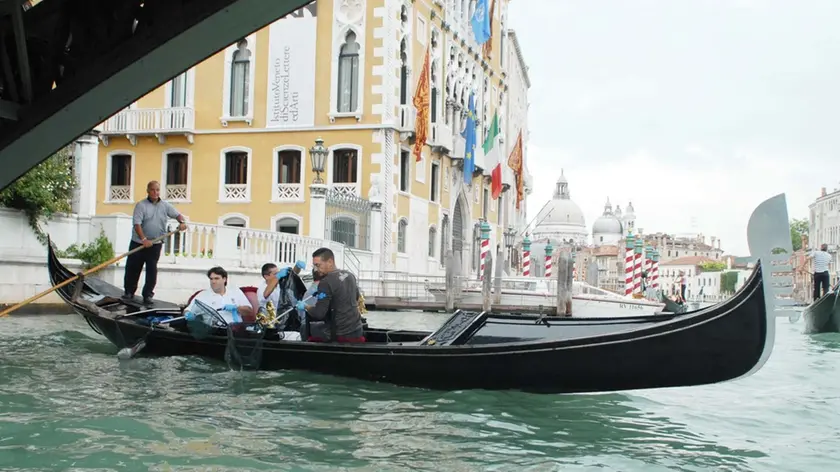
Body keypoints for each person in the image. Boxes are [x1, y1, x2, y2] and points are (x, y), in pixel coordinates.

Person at [123, 180, 187, 305]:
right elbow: (137, 224)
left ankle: (148, 295)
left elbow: (178, 215)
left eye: (157, 190)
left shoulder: (165, 205)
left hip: (155, 244)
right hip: (139, 242)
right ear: (148, 191)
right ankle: (129, 292)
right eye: (153, 190)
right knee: (133, 268)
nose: (155, 192)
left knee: (152, 270)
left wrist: (182, 222)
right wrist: (144, 240)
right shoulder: (141, 205)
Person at [295, 247, 364, 343]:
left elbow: (319, 314)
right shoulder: (349, 275)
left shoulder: (325, 282)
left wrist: (306, 306)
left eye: (318, 265)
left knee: (306, 329)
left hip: (340, 335)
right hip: (357, 330)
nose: (315, 269)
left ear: (330, 262)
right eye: (314, 266)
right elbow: (356, 297)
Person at [184, 266, 253, 324]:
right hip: (215, 332)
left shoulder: (235, 292)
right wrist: (188, 314)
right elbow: (187, 310)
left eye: (216, 278)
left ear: (224, 279)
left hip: (236, 330)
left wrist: (236, 308)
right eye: (211, 279)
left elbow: (249, 311)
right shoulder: (203, 295)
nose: (213, 281)